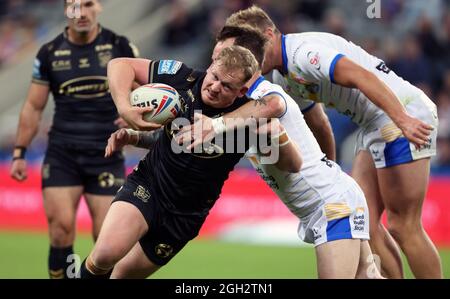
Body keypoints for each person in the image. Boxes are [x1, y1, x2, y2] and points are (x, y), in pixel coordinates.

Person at [222, 6, 441, 278]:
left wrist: (403, 119)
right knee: (364, 221)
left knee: (403, 226)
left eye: (254, 48)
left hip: (399, 114)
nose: (250, 59)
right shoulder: (282, 77)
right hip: (373, 124)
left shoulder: (303, 53)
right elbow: (320, 124)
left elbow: (361, 75)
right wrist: (330, 178)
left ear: (269, 34)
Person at [170, 25, 382, 278]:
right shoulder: (237, 108)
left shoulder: (263, 94)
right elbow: (199, 143)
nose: (217, 63)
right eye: (215, 58)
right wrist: (140, 137)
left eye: (225, 55)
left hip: (331, 204)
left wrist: (216, 125)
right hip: (333, 197)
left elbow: (274, 104)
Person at [78, 45, 302, 279]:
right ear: (210, 67)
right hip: (149, 185)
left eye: (227, 86)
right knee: (105, 254)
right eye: (214, 77)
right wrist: (126, 114)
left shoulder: (248, 117)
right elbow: (119, 65)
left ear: (241, 91)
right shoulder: (183, 78)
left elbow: (292, 164)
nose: (215, 87)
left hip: (185, 216)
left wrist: (277, 134)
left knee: (120, 277)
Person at [9, 0, 139, 279]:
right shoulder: (49, 53)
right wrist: (19, 152)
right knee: (61, 230)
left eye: (88, 4)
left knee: (107, 241)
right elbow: (33, 106)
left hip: (105, 153)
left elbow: (144, 91)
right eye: (73, 5)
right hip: (62, 154)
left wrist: (129, 111)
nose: (81, 12)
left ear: (99, 7)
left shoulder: (120, 46)